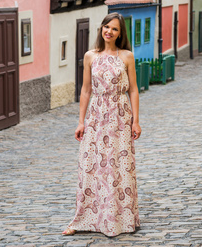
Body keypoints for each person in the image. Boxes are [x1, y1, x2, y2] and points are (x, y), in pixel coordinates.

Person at [62, 12, 142, 237]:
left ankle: (121, 219)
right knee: (91, 166)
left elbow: (133, 90)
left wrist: (136, 121)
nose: (109, 31)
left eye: (114, 29)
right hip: (96, 117)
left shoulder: (126, 56)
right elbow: (86, 90)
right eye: (107, 27)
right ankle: (84, 218)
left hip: (119, 117)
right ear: (101, 28)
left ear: (120, 33)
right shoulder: (90, 56)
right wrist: (80, 121)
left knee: (118, 167)